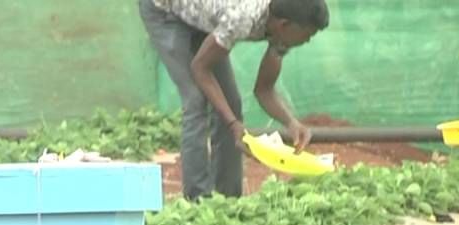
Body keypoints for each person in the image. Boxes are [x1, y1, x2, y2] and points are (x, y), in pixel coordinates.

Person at [138, 0, 330, 200]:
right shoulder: (242, 17)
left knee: (231, 104)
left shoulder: (282, 31)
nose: (308, 40)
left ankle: (228, 199)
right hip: (166, 11)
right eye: (308, 34)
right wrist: (232, 123)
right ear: (284, 25)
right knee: (195, 99)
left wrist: (291, 122)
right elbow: (200, 69)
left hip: (206, 18)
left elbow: (264, 90)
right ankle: (197, 200)